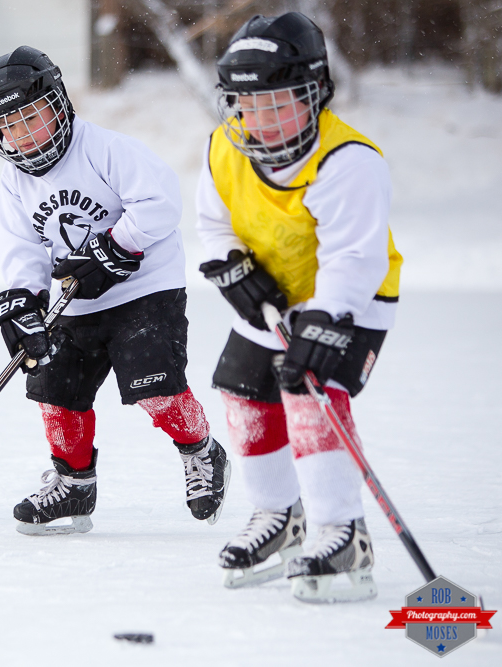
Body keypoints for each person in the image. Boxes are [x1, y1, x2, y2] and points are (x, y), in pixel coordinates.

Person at [0, 46, 230, 536]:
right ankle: (74, 484)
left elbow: (160, 202)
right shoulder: (15, 184)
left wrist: (116, 246)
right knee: (55, 386)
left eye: (33, 117)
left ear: (59, 104)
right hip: (80, 297)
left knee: (154, 386)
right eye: (11, 126)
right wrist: (23, 300)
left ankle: (202, 450)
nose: (24, 134)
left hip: (145, 289)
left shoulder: (105, 150)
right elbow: (24, 247)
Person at [196, 13, 402, 602]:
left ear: (316, 94)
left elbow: (356, 259)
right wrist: (231, 268)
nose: (259, 120)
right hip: (272, 300)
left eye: (278, 102)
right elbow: (213, 225)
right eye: (246, 104)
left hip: (352, 301)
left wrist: (325, 316)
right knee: (241, 389)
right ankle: (279, 516)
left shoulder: (349, 161)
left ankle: (344, 531)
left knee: (308, 388)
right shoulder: (223, 148)